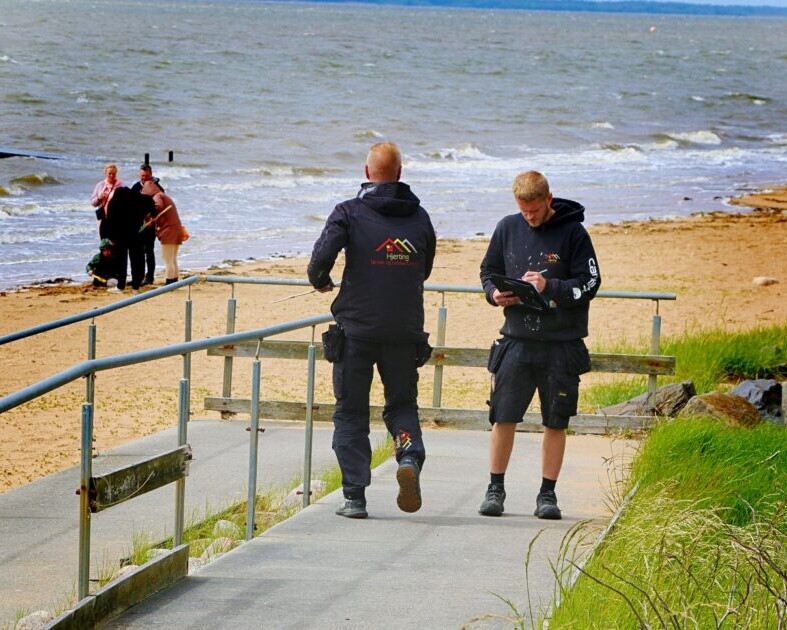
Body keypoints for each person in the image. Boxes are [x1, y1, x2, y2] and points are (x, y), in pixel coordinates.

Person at [307, 142, 436, 519]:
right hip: (403, 330)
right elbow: (424, 267)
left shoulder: (349, 212)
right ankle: (408, 455)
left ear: (367, 173)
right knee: (401, 405)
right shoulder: (420, 217)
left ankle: (355, 496)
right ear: (399, 173)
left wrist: (322, 281)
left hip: (357, 330)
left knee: (351, 412)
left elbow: (319, 262)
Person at [478, 171, 600, 520]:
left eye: (534, 210)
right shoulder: (507, 227)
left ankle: (547, 495)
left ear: (548, 200)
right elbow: (488, 271)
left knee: (555, 421)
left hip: (561, 343)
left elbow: (590, 283)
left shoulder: (574, 233)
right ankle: (495, 488)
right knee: (503, 417)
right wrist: (493, 294)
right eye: (523, 210)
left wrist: (550, 287)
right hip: (516, 339)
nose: (529, 216)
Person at [140, 180, 185, 284]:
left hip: (169, 231)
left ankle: (169, 281)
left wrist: (149, 216)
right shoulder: (163, 196)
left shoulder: (157, 197)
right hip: (176, 229)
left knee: (167, 258)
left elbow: (158, 206)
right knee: (173, 258)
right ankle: (174, 280)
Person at [131, 164, 164, 286]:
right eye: (142, 176)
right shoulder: (136, 187)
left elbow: (161, 205)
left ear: (151, 174)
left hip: (150, 225)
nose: (144, 178)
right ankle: (138, 276)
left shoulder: (157, 188)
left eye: (146, 176)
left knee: (149, 251)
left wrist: (152, 218)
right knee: (137, 252)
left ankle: (149, 276)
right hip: (137, 225)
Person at [90, 163, 124, 239]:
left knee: (115, 245)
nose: (111, 176)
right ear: (105, 174)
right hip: (103, 219)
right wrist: (99, 198)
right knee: (104, 245)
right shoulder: (100, 185)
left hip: (117, 220)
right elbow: (93, 203)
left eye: (113, 174)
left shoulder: (122, 185)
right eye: (109, 174)